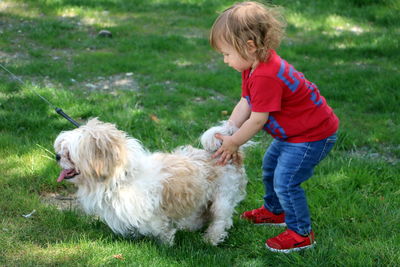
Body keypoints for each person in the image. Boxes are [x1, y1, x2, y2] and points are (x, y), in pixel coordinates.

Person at [209, 1, 339, 253]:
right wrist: (229, 128)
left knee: (286, 180)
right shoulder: (253, 66)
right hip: (294, 134)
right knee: (270, 166)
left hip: (312, 136)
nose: (225, 60)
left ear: (249, 46)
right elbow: (246, 101)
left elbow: (258, 119)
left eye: (226, 54)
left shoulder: (266, 75)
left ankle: (301, 233)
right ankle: (274, 211)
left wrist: (235, 143)